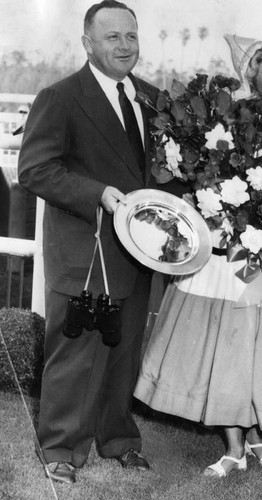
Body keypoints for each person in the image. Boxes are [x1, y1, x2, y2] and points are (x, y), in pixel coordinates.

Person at [18, 0, 186, 484]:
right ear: (87, 43)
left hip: (140, 250)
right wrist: (99, 195)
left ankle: (119, 439)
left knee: (125, 350)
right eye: (112, 37)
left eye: (131, 36)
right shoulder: (61, 96)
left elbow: (163, 173)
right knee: (74, 352)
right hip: (84, 249)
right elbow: (35, 169)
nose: (125, 45)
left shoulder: (153, 98)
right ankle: (61, 448)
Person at [133, 36, 262, 479]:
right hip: (230, 255)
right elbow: (211, 188)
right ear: (253, 87)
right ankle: (234, 444)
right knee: (225, 349)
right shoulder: (233, 126)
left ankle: (256, 437)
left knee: (255, 349)